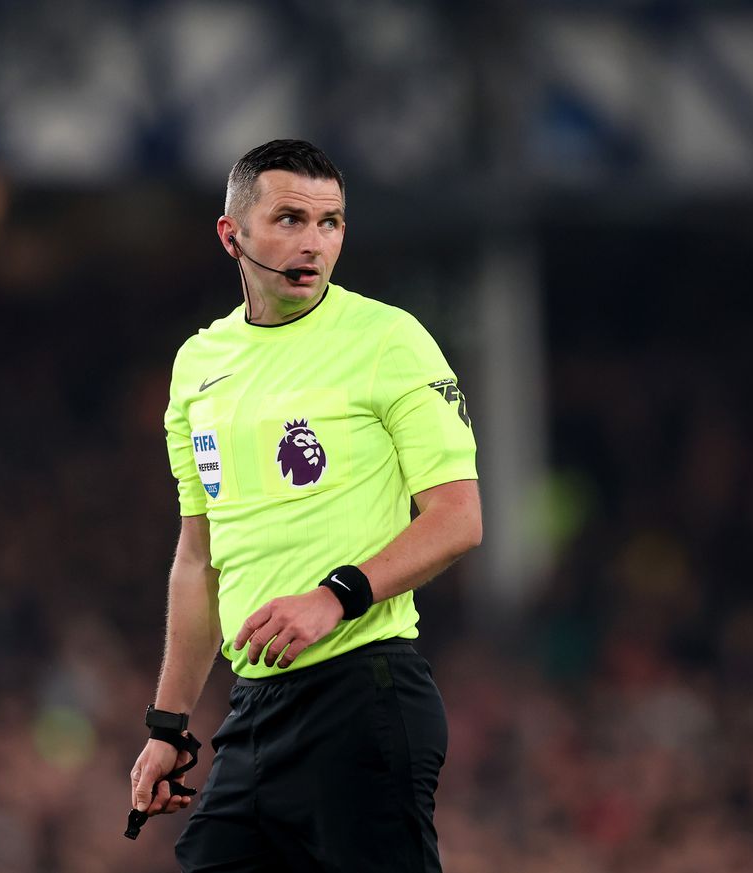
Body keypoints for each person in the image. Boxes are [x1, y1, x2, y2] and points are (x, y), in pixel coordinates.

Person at [129, 139, 481, 872]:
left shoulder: (389, 340)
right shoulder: (199, 365)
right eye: (289, 218)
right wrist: (169, 725)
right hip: (253, 714)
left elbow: (457, 517)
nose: (313, 241)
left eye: (331, 223)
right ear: (233, 235)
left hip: (363, 696)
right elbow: (199, 560)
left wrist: (334, 596)